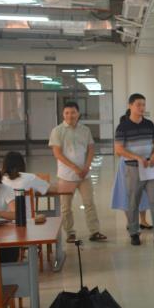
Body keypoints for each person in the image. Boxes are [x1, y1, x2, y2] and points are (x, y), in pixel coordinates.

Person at [114, 93, 154, 246]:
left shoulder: (149, 124)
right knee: (133, 202)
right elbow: (119, 149)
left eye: (143, 104)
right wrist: (137, 157)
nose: (141, 107)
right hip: (133, 169)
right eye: (138, 104)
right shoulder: (123, 127)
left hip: (151, 168)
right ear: (130, 106)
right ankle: (134, 233)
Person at [49, 101, 106, 243]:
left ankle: (94, 231)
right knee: (66, 207)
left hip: (84, 176)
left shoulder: (85, 130)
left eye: (73, 112)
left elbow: (91, 149)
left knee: (89, 203)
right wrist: (75, 168)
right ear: (63, 114)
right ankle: (70, 233)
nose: (70, 115)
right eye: (67, 113)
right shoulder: (57, 131)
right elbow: (57, 153)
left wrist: (86, 167)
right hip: (66, 176)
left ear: (78, 114)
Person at [111, 109, 152, 228]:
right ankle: (130, 222)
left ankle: (143, 221)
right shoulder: (123, 129)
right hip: (127, 165)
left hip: (142, 165)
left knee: (143, 192)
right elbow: (118, 152)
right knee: (127, 193)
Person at [1, 151, 50, 217]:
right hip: (27, 219)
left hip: (4, 220)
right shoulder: (30, 178)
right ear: (22, 164)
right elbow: (48, 188)